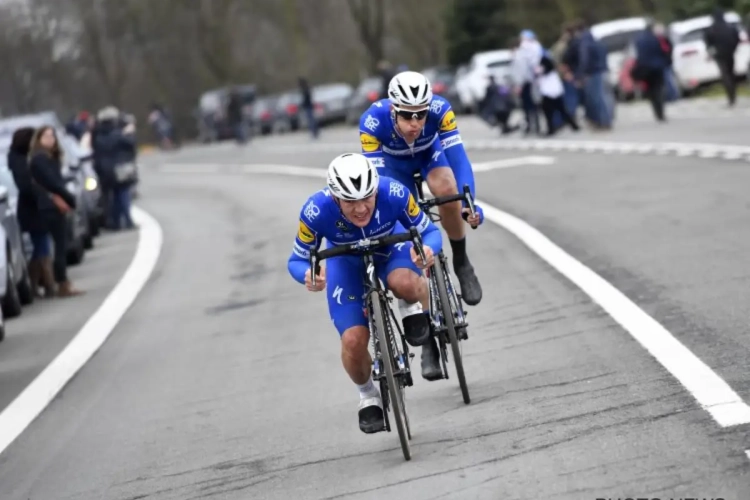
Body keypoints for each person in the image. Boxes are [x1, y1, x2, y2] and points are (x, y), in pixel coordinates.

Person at [287, 153, 443, 434]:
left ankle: (410, 308)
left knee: (404, 282)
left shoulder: (394, 192)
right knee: (353, 339)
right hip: (345, 262)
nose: (360, 209)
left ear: (375, 190)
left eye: (366, 199)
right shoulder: (315, 211)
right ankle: (368, 394)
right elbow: (296, 261)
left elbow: (430, 232)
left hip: (390, 248)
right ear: (335, 198)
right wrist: (307, 275)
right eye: (350, 201)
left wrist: (428, 250)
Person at [28, 126, 83, 297]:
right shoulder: (40, 159)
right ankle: (61, 283)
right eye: (46, 136)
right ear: (39, 139)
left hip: (50, 205)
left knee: (54, 246)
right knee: (58, 246)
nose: (50, 139)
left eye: (52, 136)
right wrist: (69, 198)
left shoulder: (49, 157)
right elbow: (53, 183)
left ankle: (53, 282)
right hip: (50, 206)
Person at [7, 127, 55, 297]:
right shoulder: (19, 161)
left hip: (34, 207)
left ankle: (35, 285)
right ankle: (48, 284)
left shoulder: (21, 158)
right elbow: (26, 186)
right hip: (31, 209)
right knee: (42, 245)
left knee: (39, 246)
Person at [537, 51, 580, 135]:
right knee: (562, 111)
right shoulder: (550, 65)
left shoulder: (544, 63)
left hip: (549, 92)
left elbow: (546, 70)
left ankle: (551, 129)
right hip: (555, 91)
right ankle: (574, 126)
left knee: (550, 113)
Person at [704, 8, 740, 106]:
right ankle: (734, 93)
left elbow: (708, 43)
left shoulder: (711, 29)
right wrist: (734, 48)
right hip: (730, 52)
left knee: (725, 75)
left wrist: (711, 53)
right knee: (731, 73)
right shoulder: (730, 27)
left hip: (719, 54)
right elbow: (737, 39)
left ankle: (731, 96)